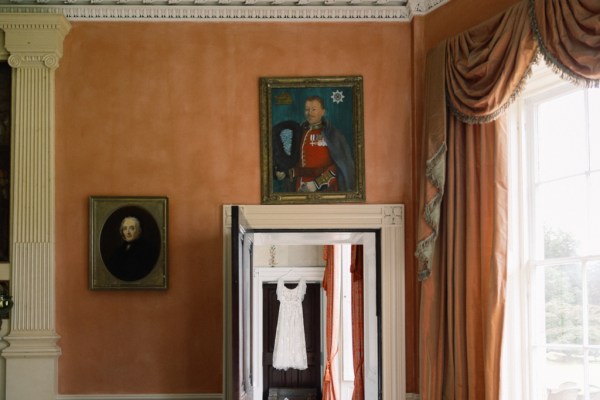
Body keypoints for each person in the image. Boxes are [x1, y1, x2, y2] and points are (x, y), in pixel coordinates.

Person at [274, 95, 355, 192]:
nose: (309, 113)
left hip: (325, 189)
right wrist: (285, 173)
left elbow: (340, 166)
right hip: (299, 188)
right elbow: (293, 161)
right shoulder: (299, 132)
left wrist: (317, 183)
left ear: (323, 112)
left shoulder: (333, 135)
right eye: (307, 109)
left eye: (314, 109)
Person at [105, 216, 158, 282]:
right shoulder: (118, 251)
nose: (128, 232)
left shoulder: (147, 250)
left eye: (132, 228)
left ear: (138, 231)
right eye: (125, 228)